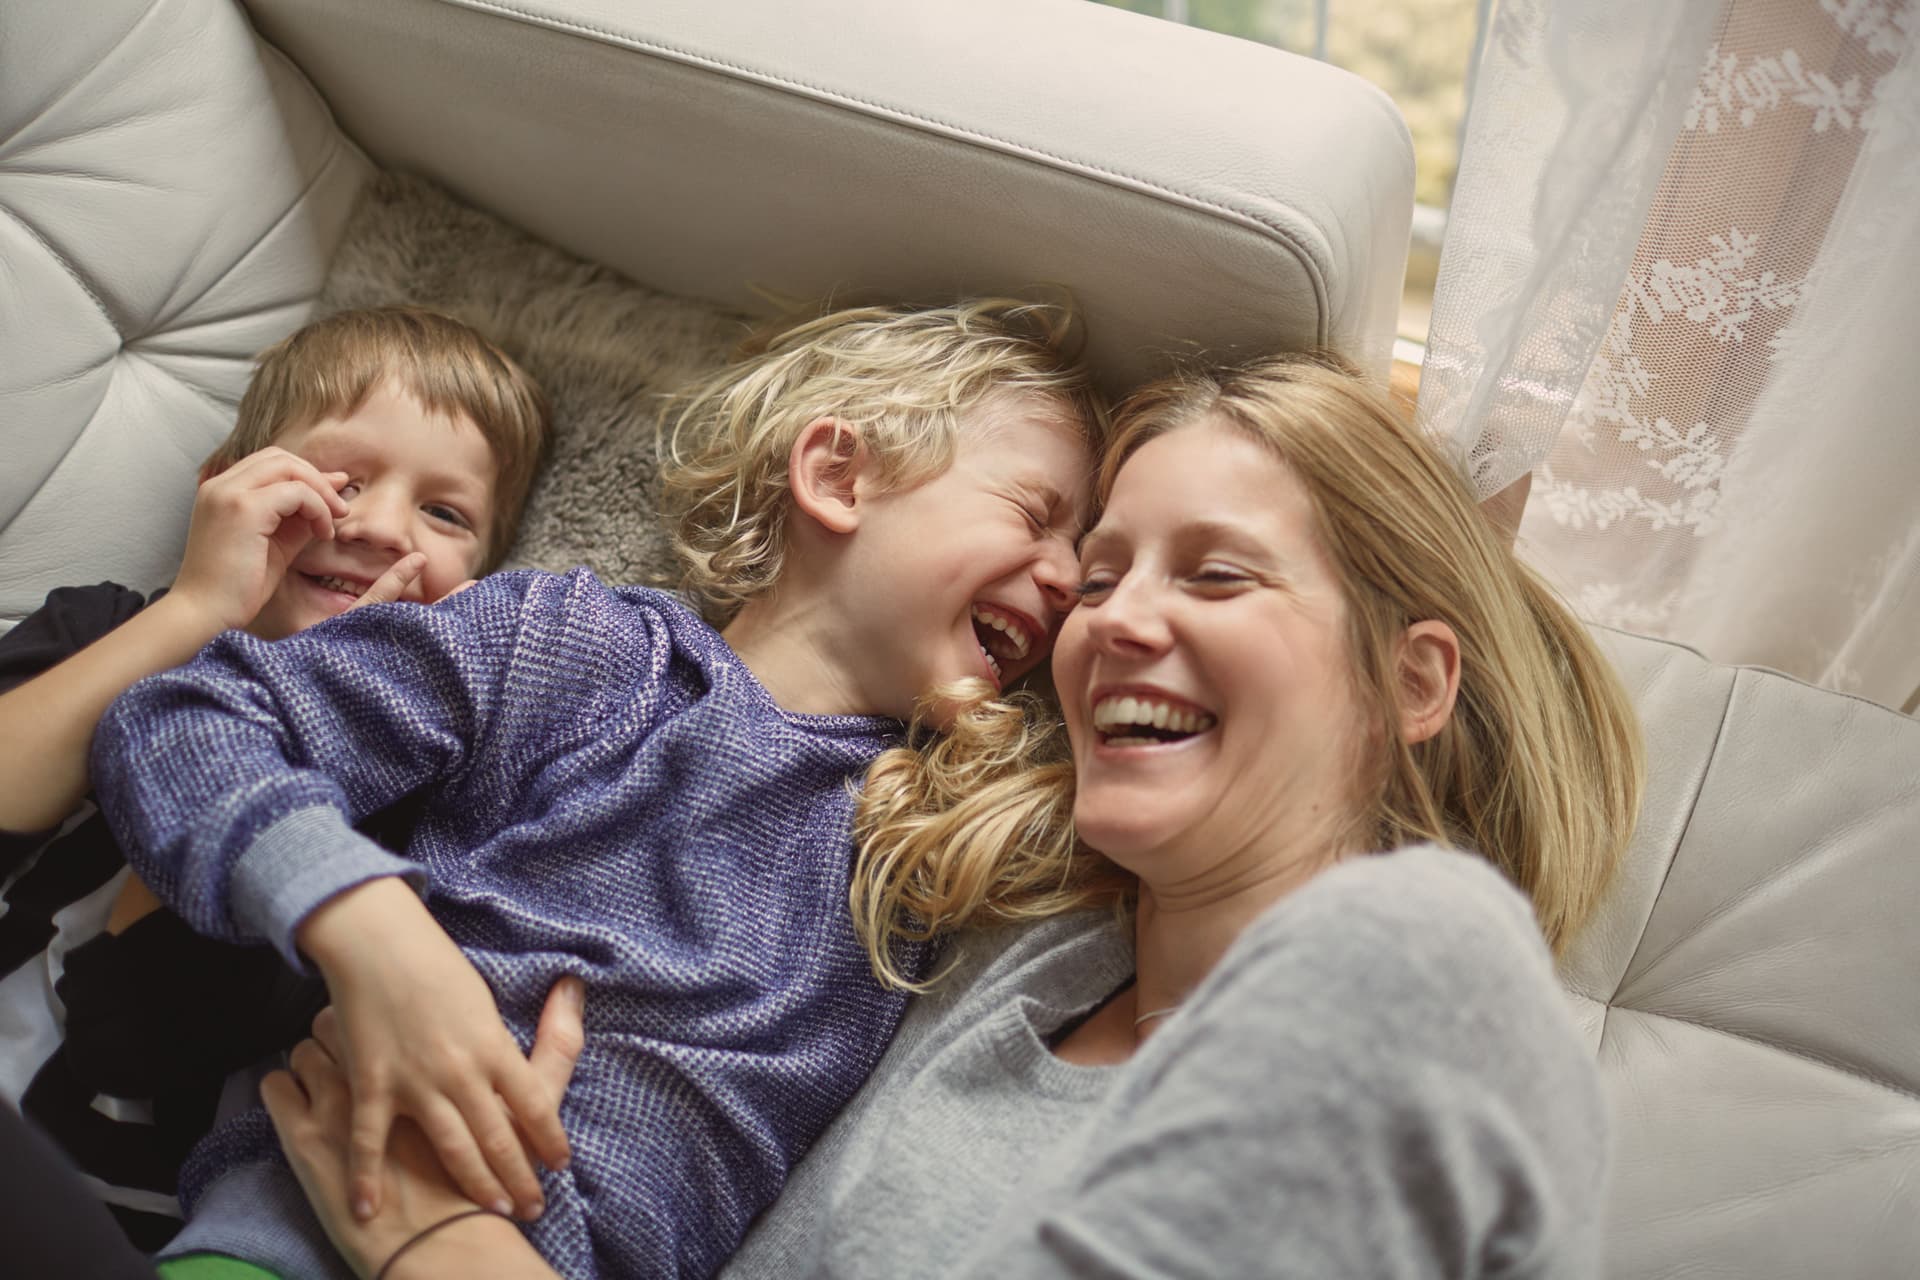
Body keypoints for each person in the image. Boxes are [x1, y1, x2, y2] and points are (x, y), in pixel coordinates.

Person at [265, 350, 1643, 1279]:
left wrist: (449, 1249)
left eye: (1218, 576)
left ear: (1412, 682)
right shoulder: (983, 961)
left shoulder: (1428, 965)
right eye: (1097, 578)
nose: (1110, 620)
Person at [87, 300, 1109, 1280]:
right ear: (838, 476)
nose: (1067, 581)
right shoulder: (576, 645)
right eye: (1037, 515)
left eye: (1090, 566)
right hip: (305, 1229)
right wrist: (368, 929)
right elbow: (180, 724)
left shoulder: (939, 838)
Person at [0, 304, 551, 1248]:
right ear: (225, 486)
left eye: (445, 513)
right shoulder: (108, 629)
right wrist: (196, 608)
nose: (380, 526)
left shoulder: (392, 819)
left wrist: (335, 704)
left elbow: (126, 1037)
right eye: (340, 481)